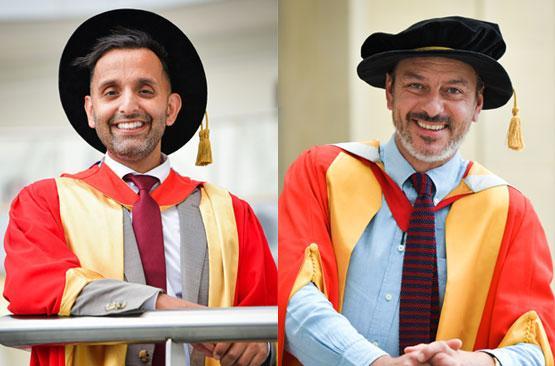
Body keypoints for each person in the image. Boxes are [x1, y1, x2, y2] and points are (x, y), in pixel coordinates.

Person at [3, 9, 277, 366]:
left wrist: (262, 348)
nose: (128, 105)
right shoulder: (44, 203)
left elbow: (270, 324)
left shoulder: (231, 214)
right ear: (90, 110)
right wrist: (168, 308)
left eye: (145, 90)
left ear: (171, 107)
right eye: (110, 92)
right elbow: (35, 288)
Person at [278, 16, 554, 366]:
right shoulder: (323, 173)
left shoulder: (507, 210)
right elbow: (295, 297)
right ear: (390, 92)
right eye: (416, 86)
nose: (433, 108)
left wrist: (476, 363)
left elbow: (535, 346)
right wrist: (375, 363)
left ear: (477, 105)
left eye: (453, 90)